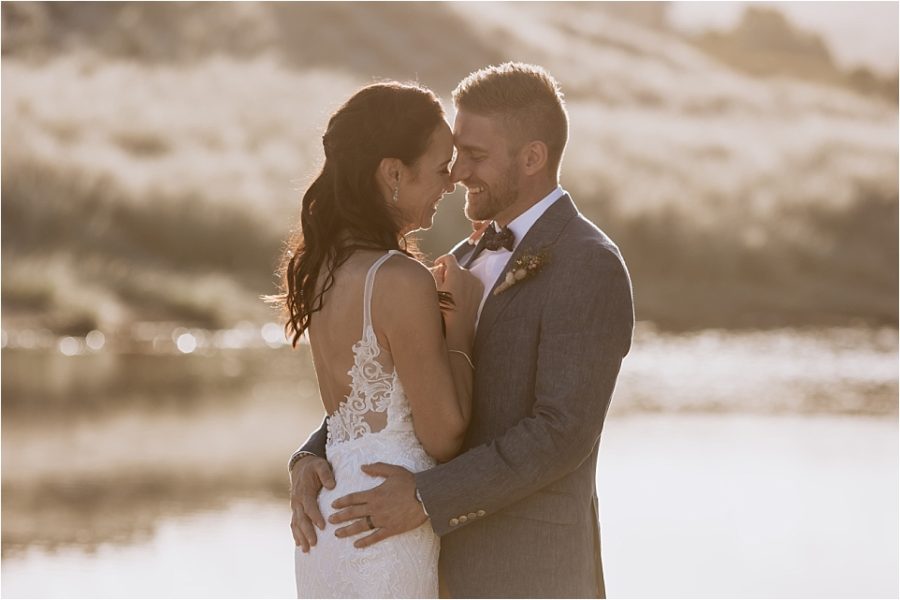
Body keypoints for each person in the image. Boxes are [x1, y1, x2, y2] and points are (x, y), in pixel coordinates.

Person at [291, 62, 634, 598]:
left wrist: (427, 498)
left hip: (527, 573)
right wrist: (312, 454)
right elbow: (393, 379)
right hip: (425, 565)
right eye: (454, 156)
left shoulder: (588, 263)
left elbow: (562, 432)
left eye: (474, 156)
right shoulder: (457, 259)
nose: (456, 174)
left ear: (532, 157)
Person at [275, 81, 484, 598]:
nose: (452, 181)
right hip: (384, 529)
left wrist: (303, 458)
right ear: (393, 173)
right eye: (441, 168)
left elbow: (349, 412)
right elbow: (445, 435)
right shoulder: (399, 279)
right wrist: (460, 317)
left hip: (333, 522)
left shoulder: (321, 271)